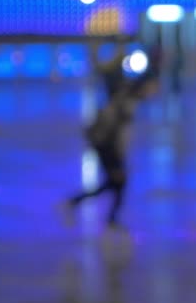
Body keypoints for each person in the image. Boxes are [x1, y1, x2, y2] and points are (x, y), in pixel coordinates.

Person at [65, 62, 159, 233]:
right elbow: (111, 131)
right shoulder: (125, 101)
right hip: (108, 148)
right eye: (153, 88)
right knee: (117, 182)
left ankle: (89, 209)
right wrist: (115, 158)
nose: (154, 92)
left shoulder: (127, 98)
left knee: (115, 184)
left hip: (110, 148)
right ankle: (86, 208)